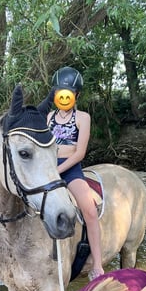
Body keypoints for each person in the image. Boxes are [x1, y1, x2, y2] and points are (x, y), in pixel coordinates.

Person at [39, 66, 104, 279]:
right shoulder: (48, 117)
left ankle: (97, 264)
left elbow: (79, 153)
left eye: (69, 93)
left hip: (70, 170)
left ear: (76, 95)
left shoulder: (83, 118)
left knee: (90, 211)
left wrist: (57, 171)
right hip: (49, 168)